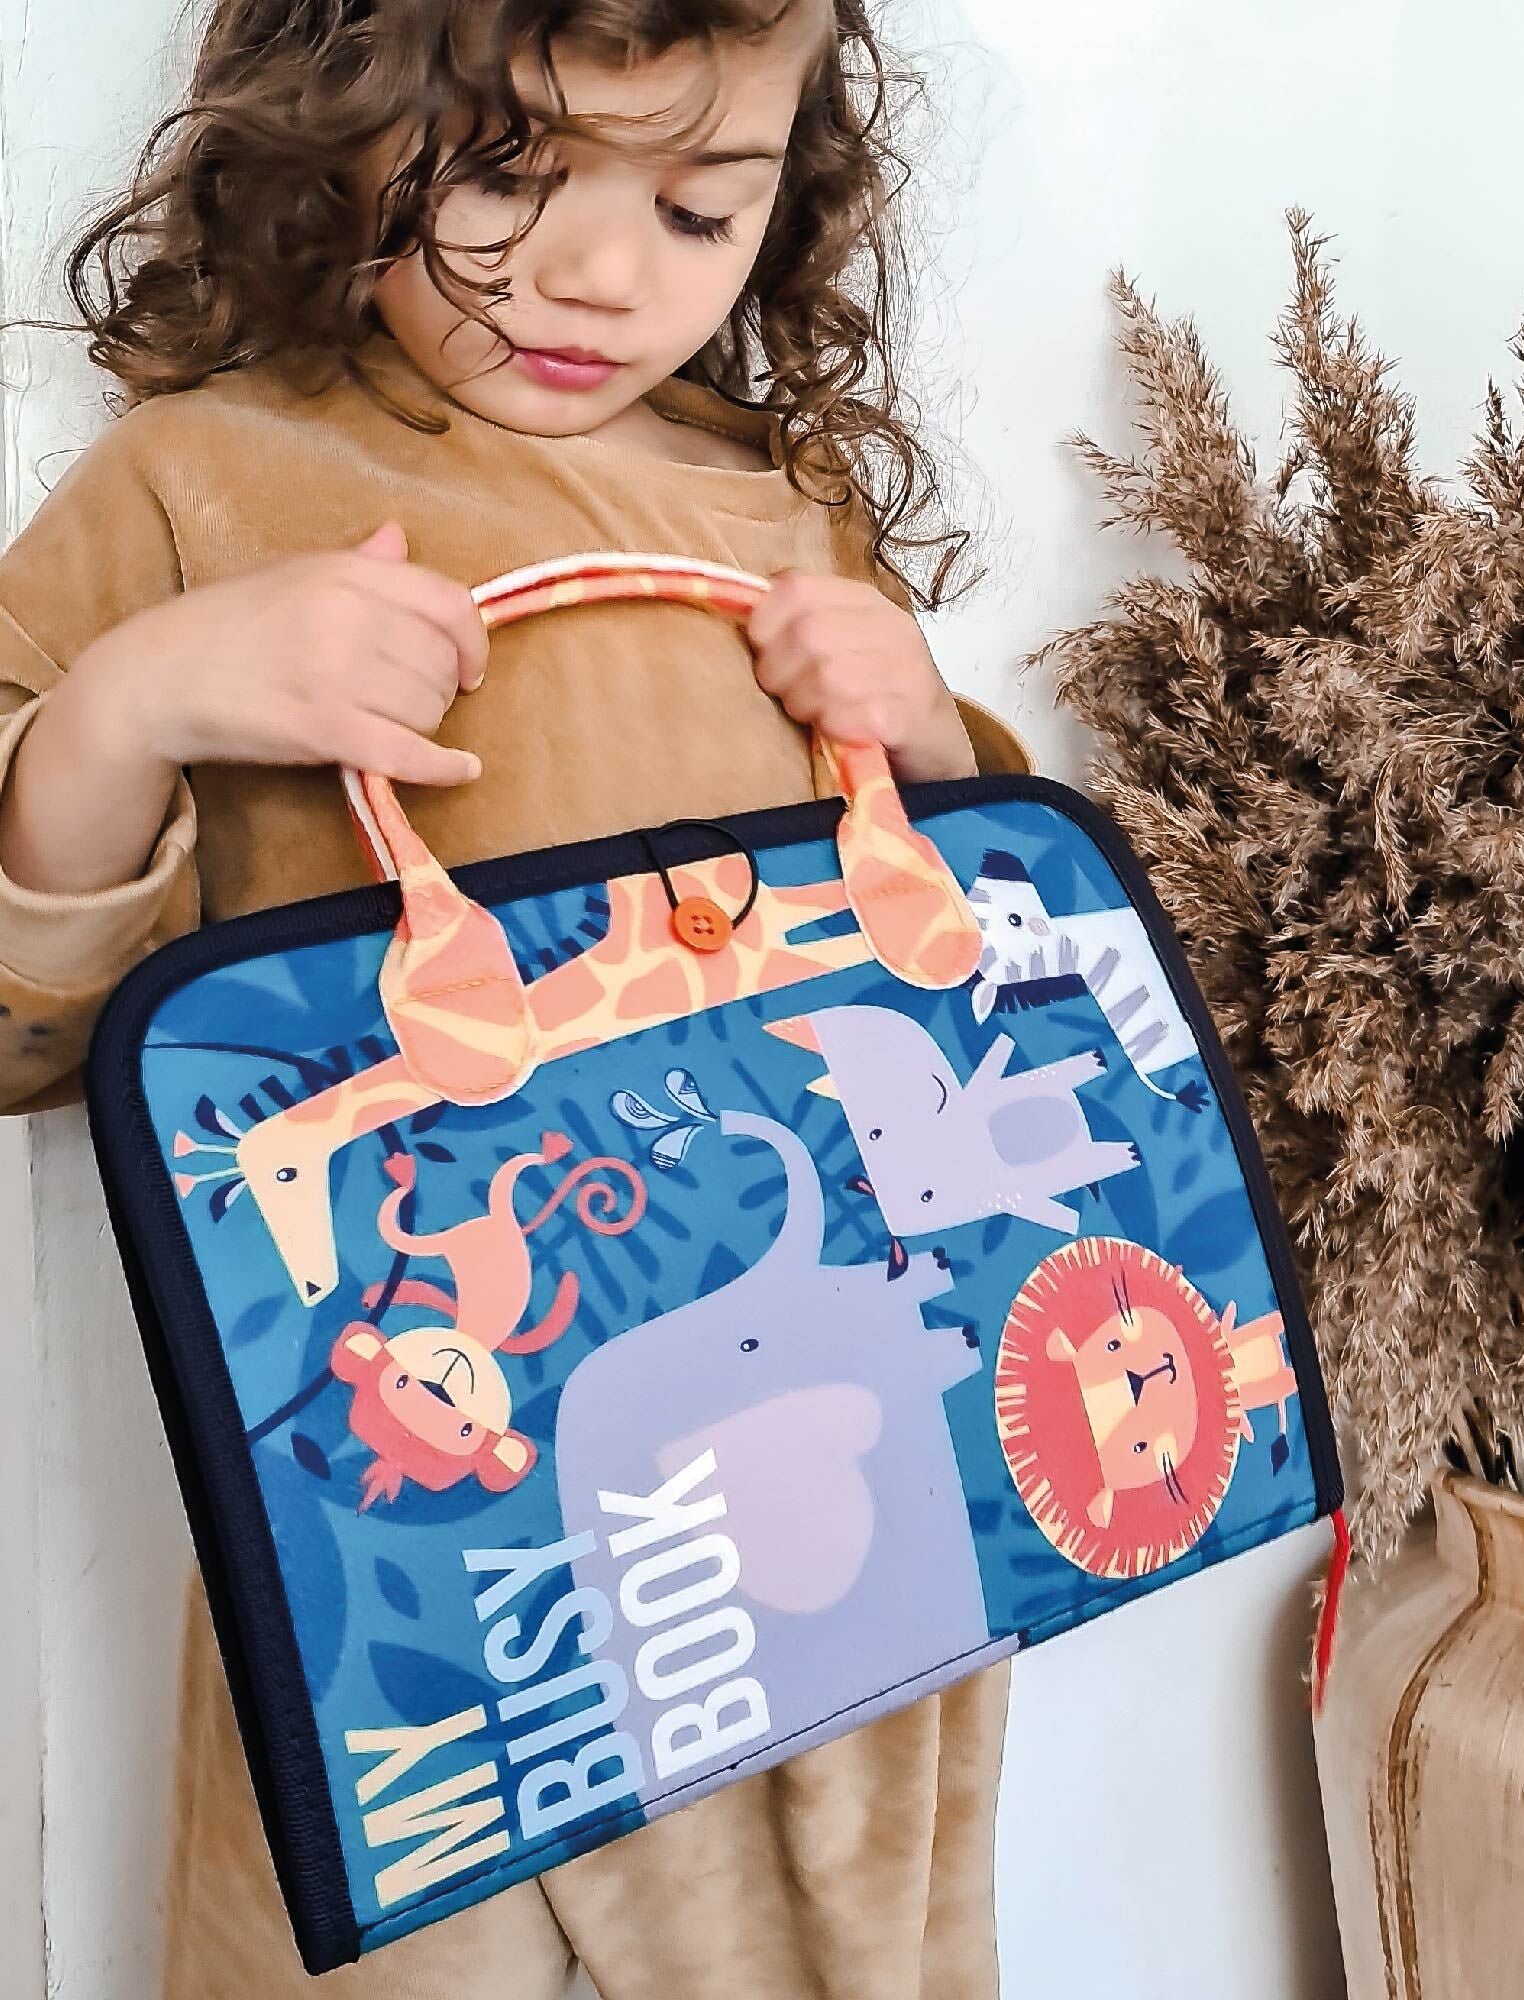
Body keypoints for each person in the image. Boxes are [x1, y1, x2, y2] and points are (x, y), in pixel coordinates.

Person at [0, 3, 1025, 1994]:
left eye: (699, 204)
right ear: (343, 128)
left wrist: (924, 730)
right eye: (504, 170)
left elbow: (991, 989)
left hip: (835, 1490)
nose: (597, 272)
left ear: (790, 203)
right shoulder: (203, 483)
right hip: (410, 1518)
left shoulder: (782, 504)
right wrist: (136, 700)